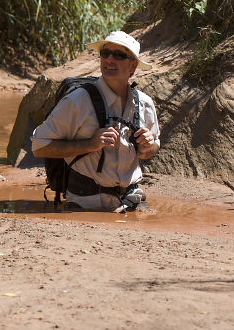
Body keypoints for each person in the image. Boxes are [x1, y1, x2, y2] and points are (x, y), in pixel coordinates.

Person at [31, 31, 160, 212]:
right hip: (85, 202)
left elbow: (150, 151)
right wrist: (90, 144)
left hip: (132, 199)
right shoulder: (77, 100)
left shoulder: (145, 103)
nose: (109, 60)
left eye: (119, 55)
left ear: (133, 66)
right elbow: (39, 147)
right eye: (105, 53)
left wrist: (148, 146)